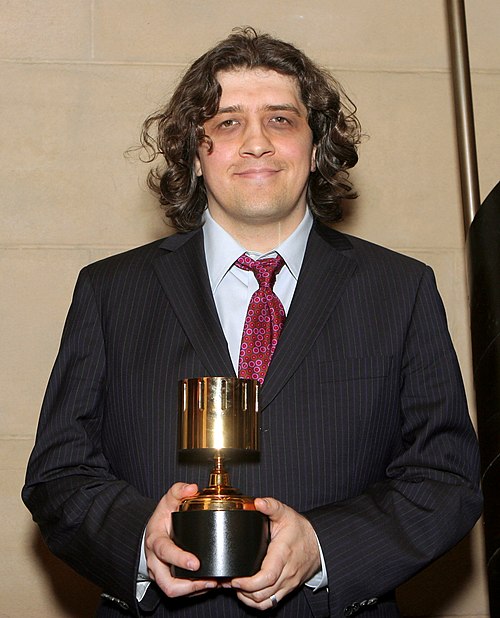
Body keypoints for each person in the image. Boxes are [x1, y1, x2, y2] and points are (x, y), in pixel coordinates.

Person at [22, 28, 482, 618]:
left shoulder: (400, 290)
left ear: (317, 148)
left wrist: (324, 546)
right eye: (228, 122)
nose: (257, 143)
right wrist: (141, 539)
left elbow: (446, 478)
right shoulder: (111, 292)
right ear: (194, 150)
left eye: (282, 120)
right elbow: (59, 473)